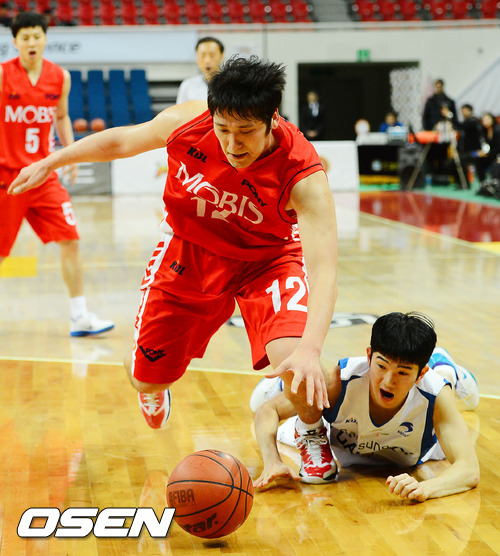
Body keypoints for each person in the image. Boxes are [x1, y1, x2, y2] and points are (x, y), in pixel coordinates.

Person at [9, 56, 339, 483]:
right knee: (144, 379)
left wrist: (311, 347)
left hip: (268, 260)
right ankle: (152, 382)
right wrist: (51, 161)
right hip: (189, 250)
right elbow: (120, 142)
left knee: (297, 360)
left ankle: (312, 433)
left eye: (245, 131)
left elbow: (325, 269)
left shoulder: (303, 172)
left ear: (272, 119)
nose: (233, 144)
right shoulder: (186, 122)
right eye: (223, 129)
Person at [251, 312, 480, 499]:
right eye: (381, 366)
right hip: (346, 454)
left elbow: (469, 469)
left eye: (402, 373)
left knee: (443, 382)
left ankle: (446, 368)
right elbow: (268, 409)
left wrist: (425, 488)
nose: (388, 381)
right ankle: (282, 384)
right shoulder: (338, 383)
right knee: (258, 403)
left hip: (412, 459)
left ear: (420, 374)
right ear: (369, 356)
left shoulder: (435, 396)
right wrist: (272, 461)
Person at [0, 12, 114, 337]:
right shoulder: (3, 74)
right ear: (15, 41)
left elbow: (61, 116)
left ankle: (79, 316)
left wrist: (70, 153)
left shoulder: (59, 77)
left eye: (37, 36)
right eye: (25, 37)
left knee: (70, 240)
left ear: (45, 38)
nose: (32, 42)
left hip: (43, 173)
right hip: (7, 177)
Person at [176, 36, 224, 104]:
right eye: (202, 56)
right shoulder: (187, 85)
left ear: (221, 56)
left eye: (212, 55)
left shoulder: (230, 84)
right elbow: (180, 109)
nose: (207, 60)